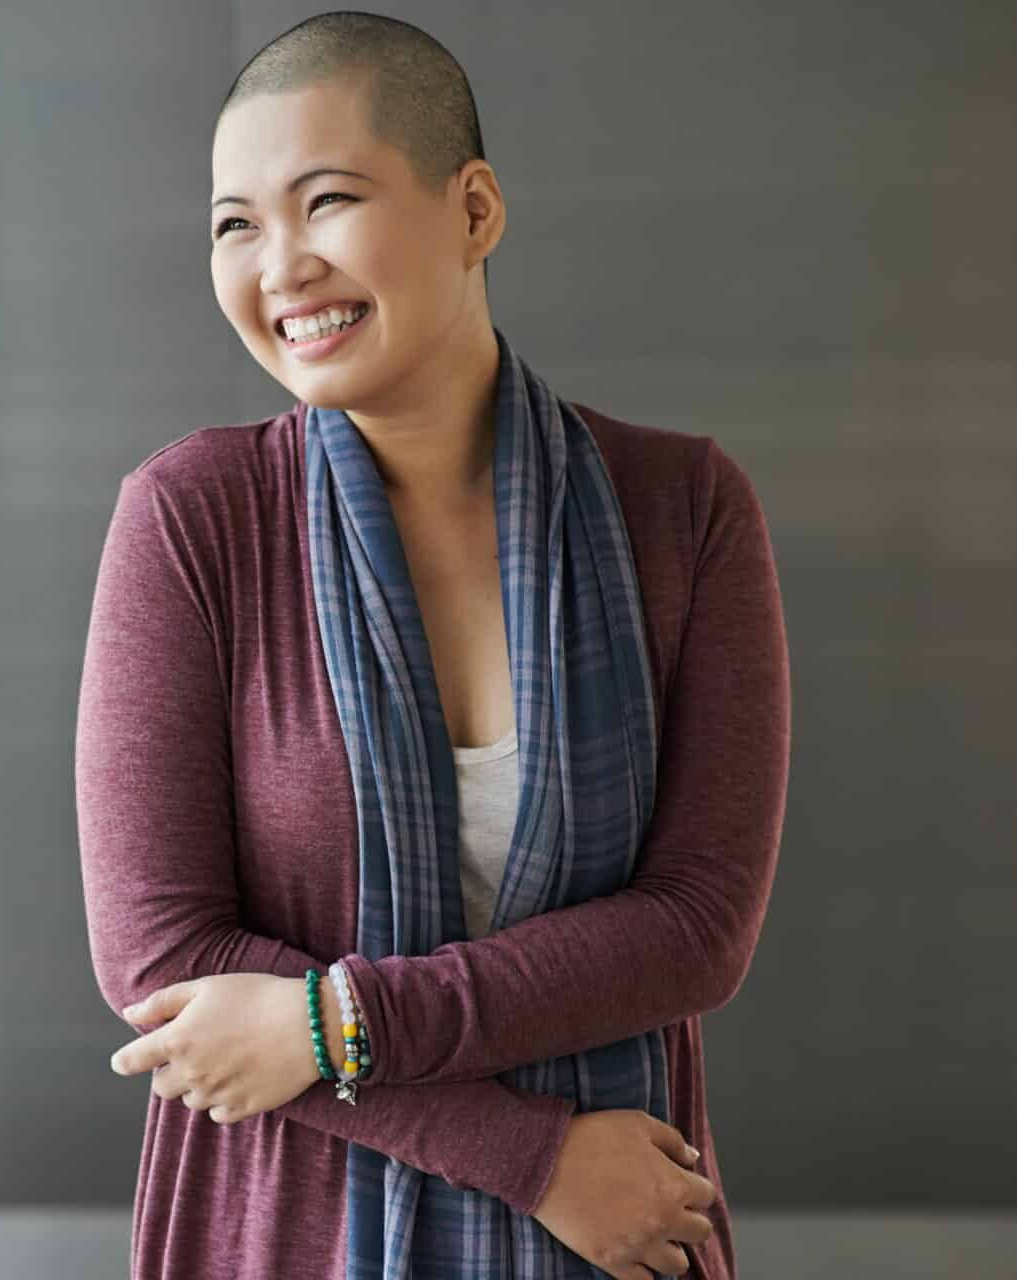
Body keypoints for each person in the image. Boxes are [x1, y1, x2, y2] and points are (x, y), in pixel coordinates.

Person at [75, 11, 790, 1280]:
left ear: (473, 211)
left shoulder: (682, 507)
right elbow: (167, 964)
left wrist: (328, 1020)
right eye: (234, 223)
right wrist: (532, 1155)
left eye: (326, 200)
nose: (278, 266)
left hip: (626, 1235)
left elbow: (696, 926)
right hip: (297, 1228)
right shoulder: (191, 517)